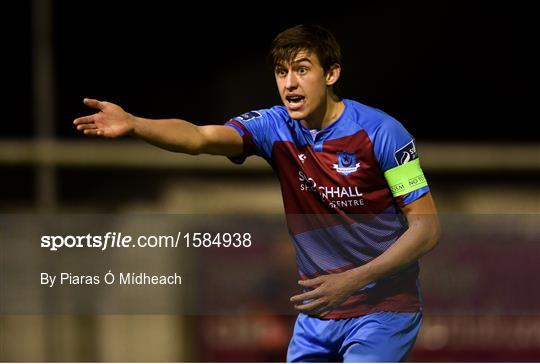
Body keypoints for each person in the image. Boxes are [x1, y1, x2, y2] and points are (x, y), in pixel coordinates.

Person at [74, 24, 440, 362]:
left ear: (331, 74)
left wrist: (353, 280)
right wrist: (136, 124)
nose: (290, 84)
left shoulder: (383, 133)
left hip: (383, 309)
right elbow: (200, 138)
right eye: (282, 72)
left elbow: (426, 229)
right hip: (319, 315)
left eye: (302, 69)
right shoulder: (274, 126)